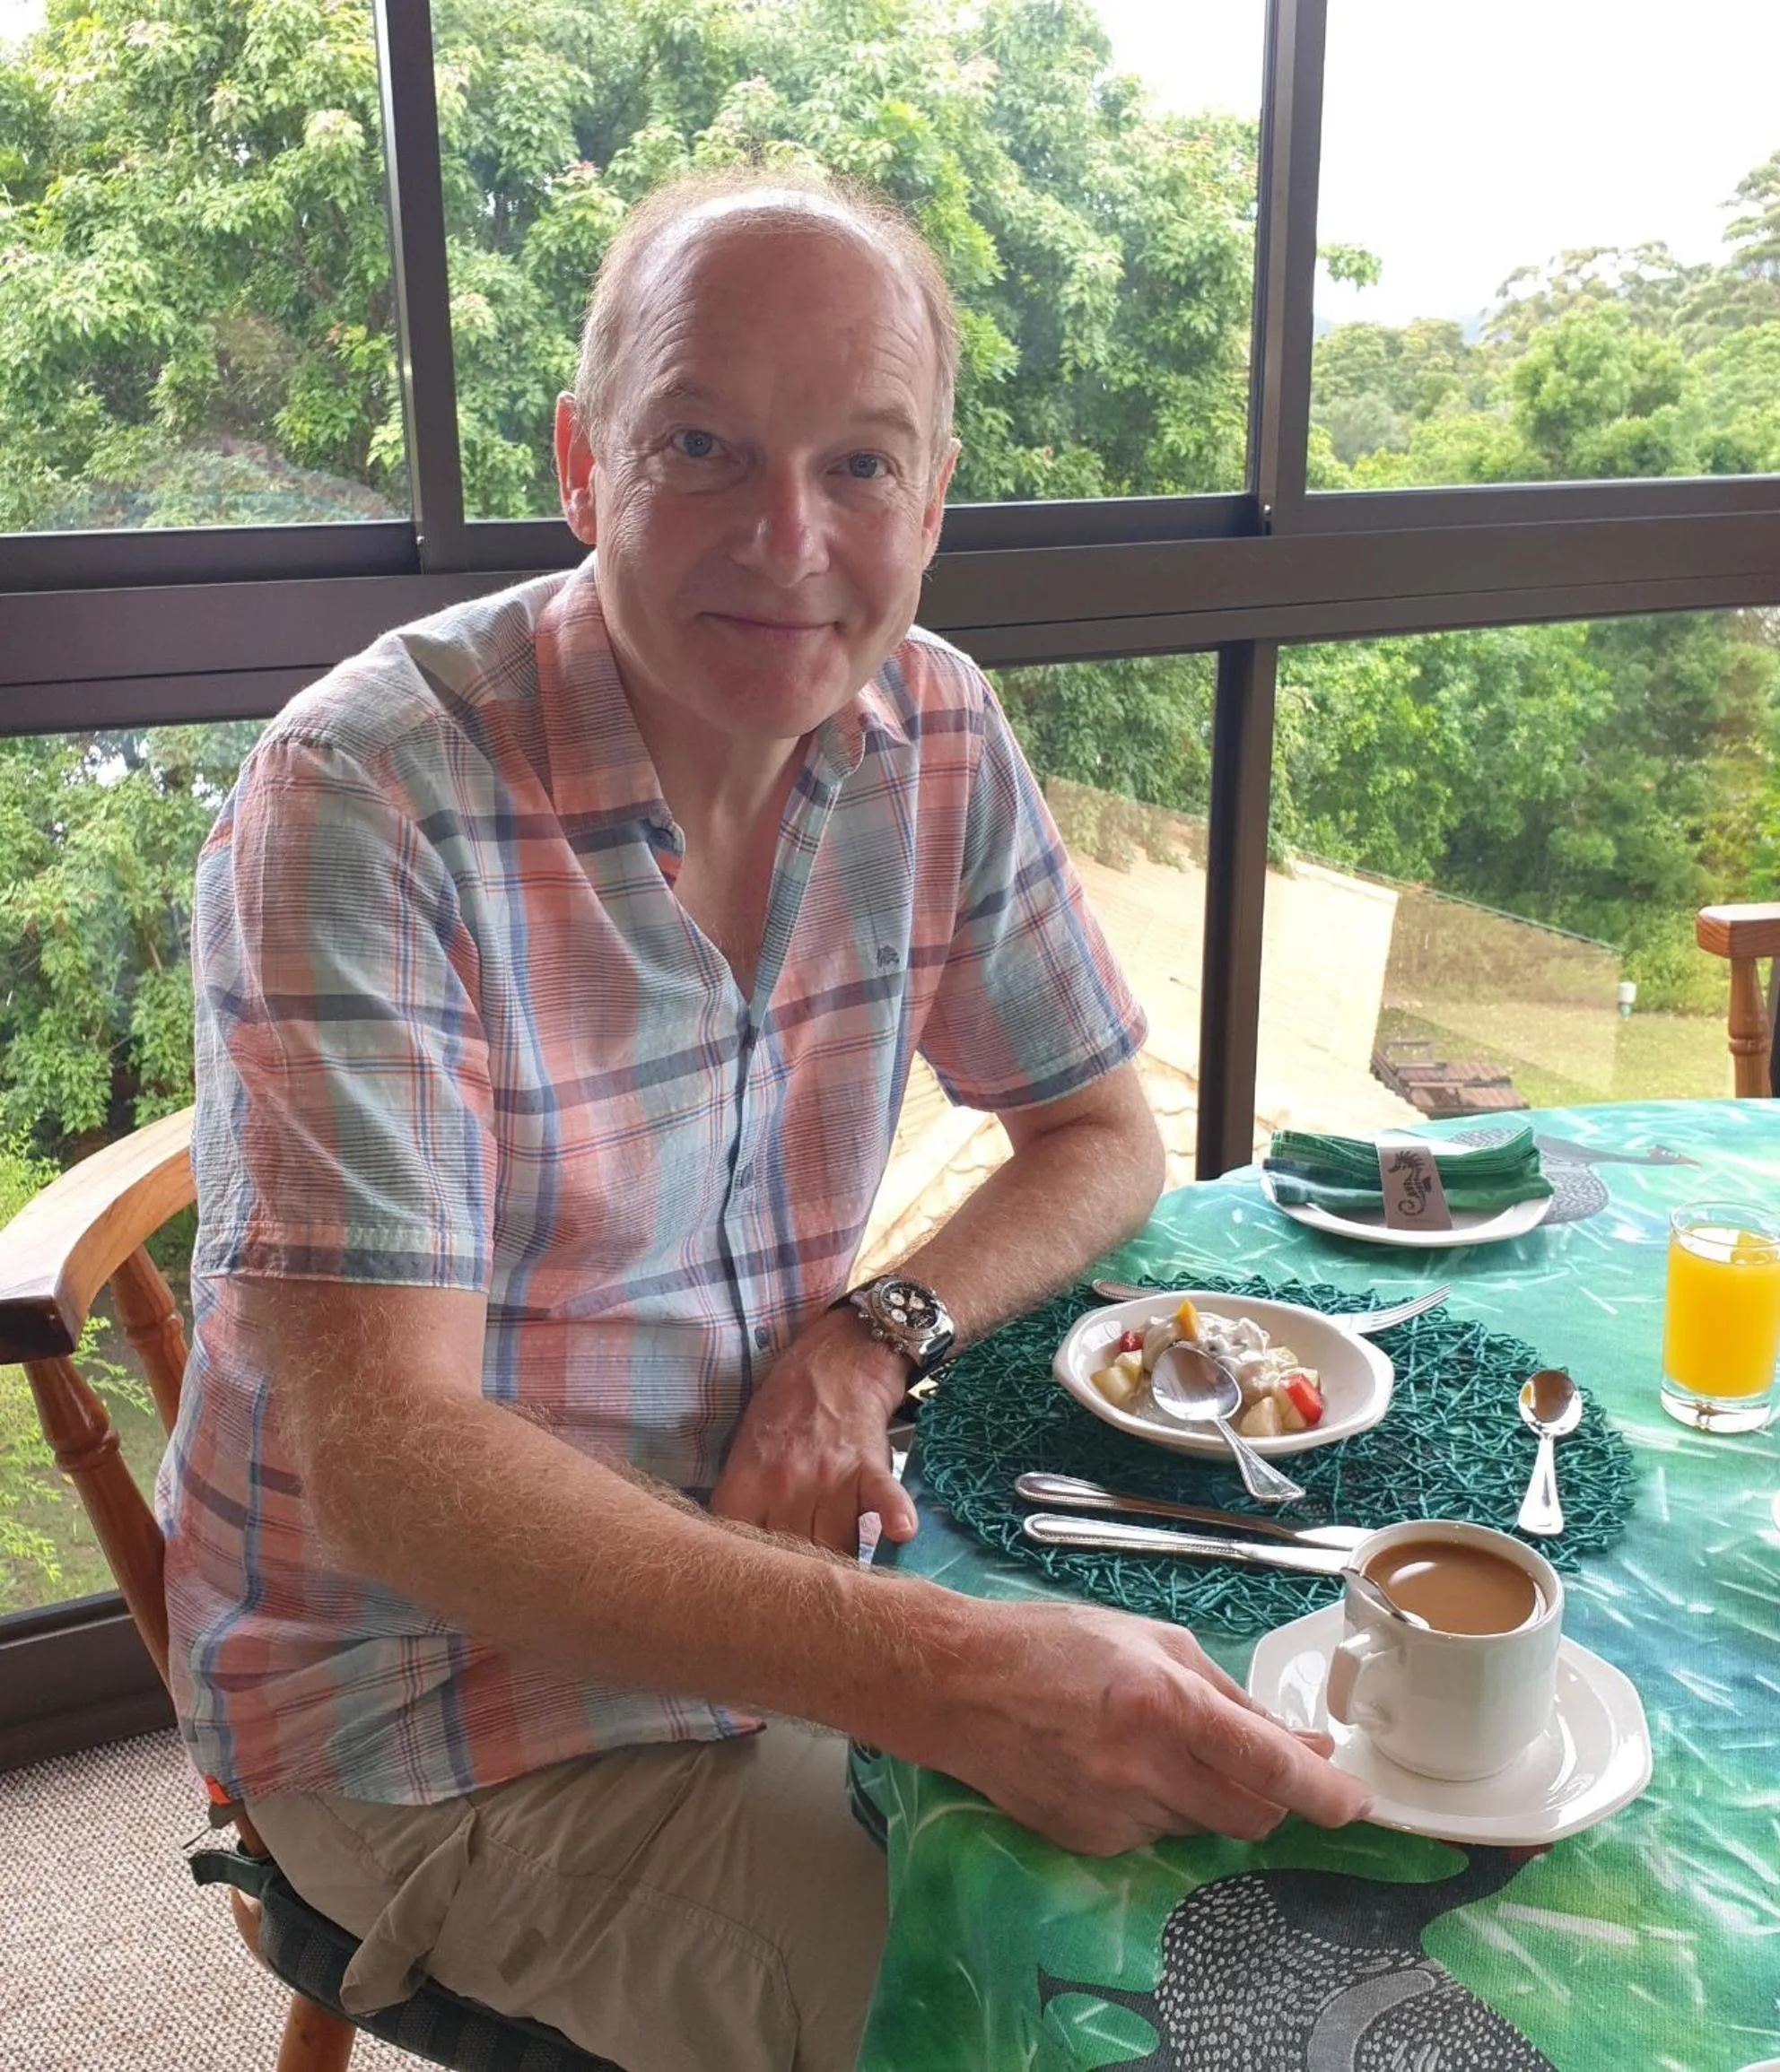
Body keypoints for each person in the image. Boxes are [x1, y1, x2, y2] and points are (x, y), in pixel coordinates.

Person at [159, 166, 1370, 2072]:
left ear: (933, 497)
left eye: (861, 466)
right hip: (424, 1712)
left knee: (1314, 1856)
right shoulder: (365, 795)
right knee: (1106, 2016)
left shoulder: (935, 733)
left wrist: (861, 1339)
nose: (787, 539)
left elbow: (1098, 1133)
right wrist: (953, 1676)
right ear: (581, 464)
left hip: (797, 1562)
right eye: (701, 445)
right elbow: (388, 1465)